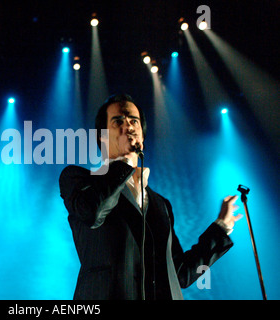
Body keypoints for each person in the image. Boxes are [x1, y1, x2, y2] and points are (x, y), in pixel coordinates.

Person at [59, 94, 242, 300]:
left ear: (142, 137)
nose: (128, 126)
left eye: (133, 121)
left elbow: (179, 273)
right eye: (118, 120)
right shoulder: (79, 179)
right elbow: (92, 213)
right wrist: (125, 163)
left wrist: (221, 228)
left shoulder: (160, 203)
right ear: (101, 137)